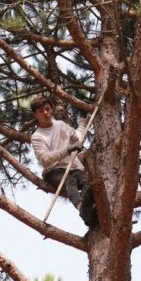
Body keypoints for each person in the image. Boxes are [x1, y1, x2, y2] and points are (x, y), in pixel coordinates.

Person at [30, 96, 98, 228]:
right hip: (53, 171)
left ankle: (87, 209)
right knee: (70, 181)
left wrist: (83, 121)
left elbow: (77, 138)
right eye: (40, 111)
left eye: (47, 109)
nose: (45, 113)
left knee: (89, 182)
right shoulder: (37, 137)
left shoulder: (61, 125)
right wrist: (67, 150)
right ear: (35, 114)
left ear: (51, 109)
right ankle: (81, 208)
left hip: (73, 167)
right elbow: (45, 158)